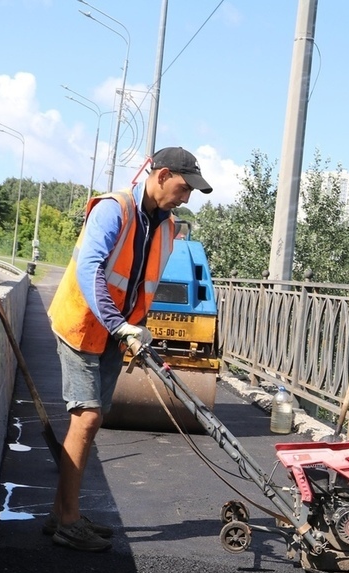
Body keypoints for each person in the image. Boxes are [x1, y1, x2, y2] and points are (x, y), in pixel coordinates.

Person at [44, 146, 213, 551]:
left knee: (90, 422)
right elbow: (90, 269)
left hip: (115, 334)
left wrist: (138, 331)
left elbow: (142, 285)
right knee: (86, 417)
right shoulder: (113, 209)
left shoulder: (167, 227)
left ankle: (60, 514)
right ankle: (68, 522)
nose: (187, 196)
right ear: (162, 174)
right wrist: (120, 326)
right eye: (184, 187)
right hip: (83, 325)